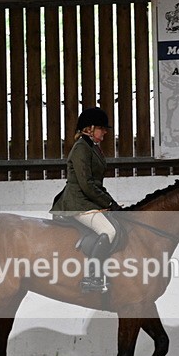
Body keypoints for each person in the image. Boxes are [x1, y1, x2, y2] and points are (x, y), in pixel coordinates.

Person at [51, 107, 121, 293]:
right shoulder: (81, 148)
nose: (105, 132)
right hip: (78, 203)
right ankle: (93, 278)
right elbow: (87, 184)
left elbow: (96, 183)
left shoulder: (92, 147)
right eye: (102, 128)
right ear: (89, 128)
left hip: (89, 200)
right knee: (109, 231)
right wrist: (108, 203)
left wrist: (112, 203)